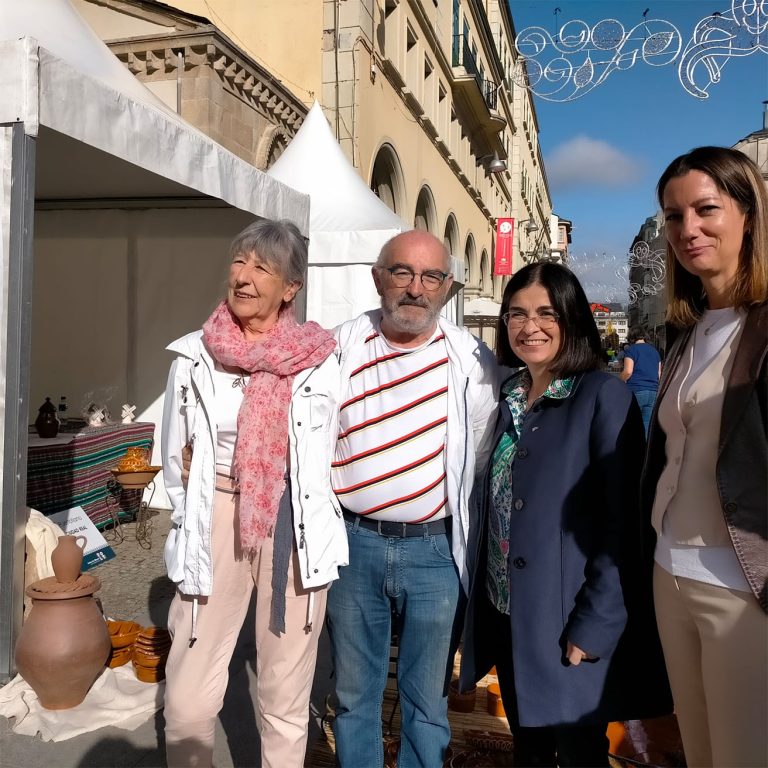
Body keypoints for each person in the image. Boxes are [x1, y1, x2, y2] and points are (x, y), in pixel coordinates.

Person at [461, 262, 671, 768]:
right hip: (508, 616)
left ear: (572, 319)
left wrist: (596, 623)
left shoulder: (602, 396)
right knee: (530, 752)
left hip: (567, 621)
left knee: (579, 755)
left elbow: (623, 526)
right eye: (516, 313)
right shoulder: (508, 394)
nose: (528, 326)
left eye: (546, 313)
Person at [160, 220, 348, 768]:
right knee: (188, 694)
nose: (243, 277)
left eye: (262, 268)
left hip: (293, 520)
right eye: (239, 262)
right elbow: (172, 457)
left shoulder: (321, 358)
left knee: (284, 695)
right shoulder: (194, 355)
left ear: (291, 287)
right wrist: (198, 498)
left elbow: (338, 445)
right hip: (215, 511)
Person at [326, 229, 500, 767]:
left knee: (427, 700)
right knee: (353, 695)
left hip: (435, 551)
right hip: (353, 545)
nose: (415, 288)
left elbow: (484, 449)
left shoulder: (473, 359)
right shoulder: (336, 347)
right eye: (402, 272)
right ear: (378, 278)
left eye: (431, 276)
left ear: (447, 287)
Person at [641, 146, 767, 767]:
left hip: (746, 585)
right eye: (673, 216)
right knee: (699, 752)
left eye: (706, 209)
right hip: (670, 573)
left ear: (748, 214)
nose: (687, 229)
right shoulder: (686, 332)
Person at [620, 328, 662, 435]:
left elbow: (628, 372)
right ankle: (644, 446)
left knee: (631, 424)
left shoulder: (631, 350)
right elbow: (659, 375)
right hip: (653, 391)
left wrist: (619, 380)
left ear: (631, 337)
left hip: (636, 390)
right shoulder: (655, 351)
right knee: (646, 425)